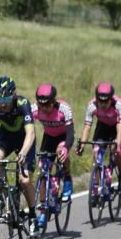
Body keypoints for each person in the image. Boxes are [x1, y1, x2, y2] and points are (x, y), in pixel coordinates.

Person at [0, 76, 38, 235]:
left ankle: (33, 215)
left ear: (14, 95)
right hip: (6, 138)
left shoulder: (23, 104)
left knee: (24, 181)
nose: (2, 103)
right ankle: (2, 192)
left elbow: (31, 132)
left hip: (24, 140)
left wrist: (23, 152)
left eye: (7, 98)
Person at [32, 83, 74, 228]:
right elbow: (26, 129)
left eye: (47, 105)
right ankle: (43, 210)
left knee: (61, 151)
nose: (43, 108)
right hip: (49, 137)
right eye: (40, 104)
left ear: (53, 101)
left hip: (63, 137)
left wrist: (66, 148)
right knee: (43, 169)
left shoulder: (64, 108)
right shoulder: (35, 109)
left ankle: (67, 178)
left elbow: (70, 133)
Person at [77, 82, 121, 188]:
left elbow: (120, 129)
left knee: (116, 150)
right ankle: (96, 185)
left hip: (116, 127)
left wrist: (118, 146)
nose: (103, 104)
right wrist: (82, 144)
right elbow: (87, 126)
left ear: (111, 99)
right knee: (96, 151)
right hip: (103, 126)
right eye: (100, 101)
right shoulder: (92, 105)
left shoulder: (119, 105)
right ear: (96, 99)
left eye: (106, 101)